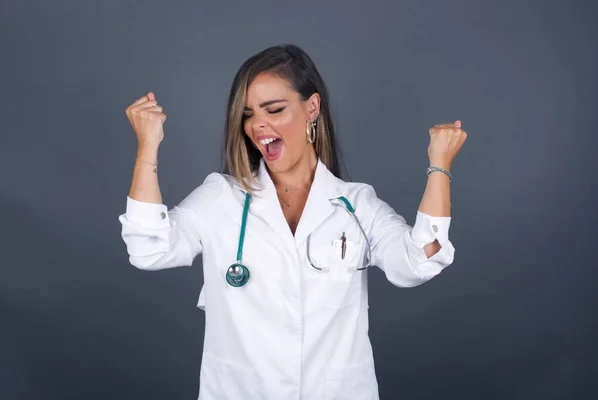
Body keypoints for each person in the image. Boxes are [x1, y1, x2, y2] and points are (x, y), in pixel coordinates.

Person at [118, 44, 466, 400]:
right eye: (249, 114)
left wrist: (439, 164)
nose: (258, 125)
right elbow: (149, 249)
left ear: (311, 108)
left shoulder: (356, 205)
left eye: (275, 109)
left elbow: (418, 261)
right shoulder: (221, 197)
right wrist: (148, 145)